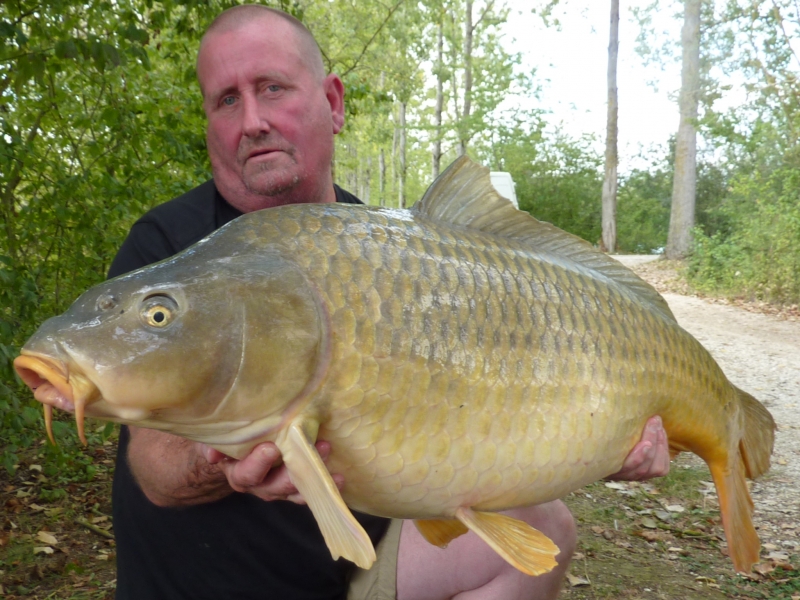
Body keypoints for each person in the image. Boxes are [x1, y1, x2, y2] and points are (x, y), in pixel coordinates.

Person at [107, 5, 671, 600]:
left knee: (545, 526)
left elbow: (483, 406)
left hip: (352, 572)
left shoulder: (390, 251)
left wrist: (601, 439)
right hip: (205, 588)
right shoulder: (172, 248)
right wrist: (228, 452)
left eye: (272, 88)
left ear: (333, 102)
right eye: (226, 100)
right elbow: (157, 473)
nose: (252, 121)